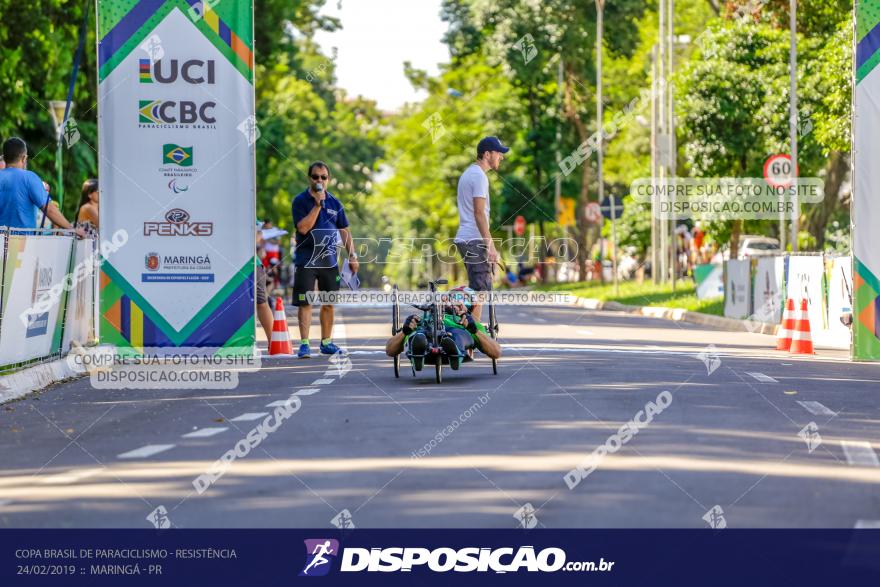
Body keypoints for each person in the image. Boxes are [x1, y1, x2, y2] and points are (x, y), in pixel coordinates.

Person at [291, 161, 358, 358]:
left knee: (328, 302)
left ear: (328, 179)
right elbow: (302, 228)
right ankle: (304, 344)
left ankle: (326, 342)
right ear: (309, 178)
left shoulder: (336, 203)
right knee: (306, 301)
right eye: (315, 177)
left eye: (323, 177)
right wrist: (318, 206)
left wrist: (352, 255)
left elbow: (344, 231)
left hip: (329, 261)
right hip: (306, 260)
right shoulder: (300, 201)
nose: (319, 180)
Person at [454, 136, 509, 320]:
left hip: (467, 237)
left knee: (477, 288)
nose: (501, 156)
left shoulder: (469, 173)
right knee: (480, 289)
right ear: (487, 154)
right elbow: (479, 213)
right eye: (498, 153)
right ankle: (473, 335)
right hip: (473, 239)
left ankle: (468, 330)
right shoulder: (479, 176)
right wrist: (490, 246)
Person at [385, 286, 501, 370]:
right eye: (452, 296)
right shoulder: (424, 317)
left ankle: (454, 350)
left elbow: (496, 352)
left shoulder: (470, 323)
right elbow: (390, 350)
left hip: (458, 331)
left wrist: (474, 330)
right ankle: (417, 352)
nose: (456, 300)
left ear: (469, 307)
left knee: (457, 335)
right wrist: (404, 332)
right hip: (428, 328)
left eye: (463, 298)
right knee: (419, 334)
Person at [0, 137, 83, 235]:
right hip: (21, 244)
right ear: (24, 158)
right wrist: (72, 229)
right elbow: (49, 209)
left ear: (4, 158)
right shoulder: (29, 177)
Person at [255, 222, 274, 343]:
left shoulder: (247, 209)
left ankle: (273, 341)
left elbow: (258, 236)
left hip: (253, 264)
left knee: (261, 302)